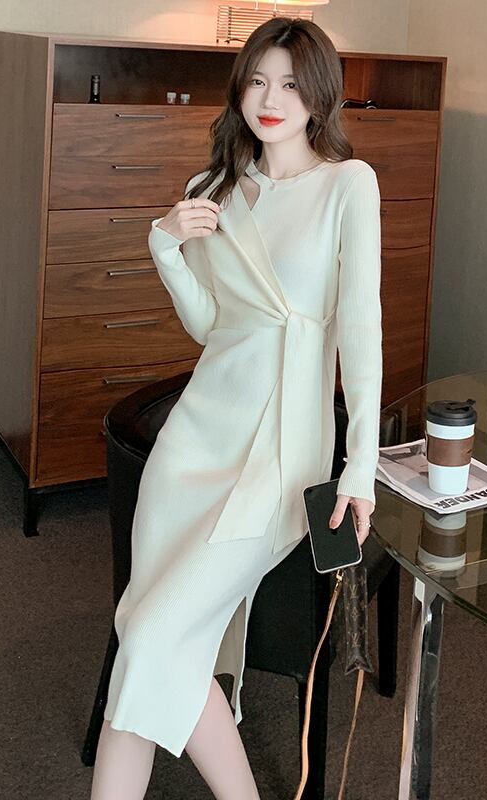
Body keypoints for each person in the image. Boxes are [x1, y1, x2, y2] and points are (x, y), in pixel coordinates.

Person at [89, 16, 382, 800]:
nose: (270, 99)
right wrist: (164, 247)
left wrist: (360, 468)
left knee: (148, 633)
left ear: (320, 95)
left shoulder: (348, 185)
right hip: (195, 442)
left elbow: (361, 331)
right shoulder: (209, 190)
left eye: (290, 83)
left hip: (282, 454)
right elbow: (213, 327)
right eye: (257, 80)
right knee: (153, 639)